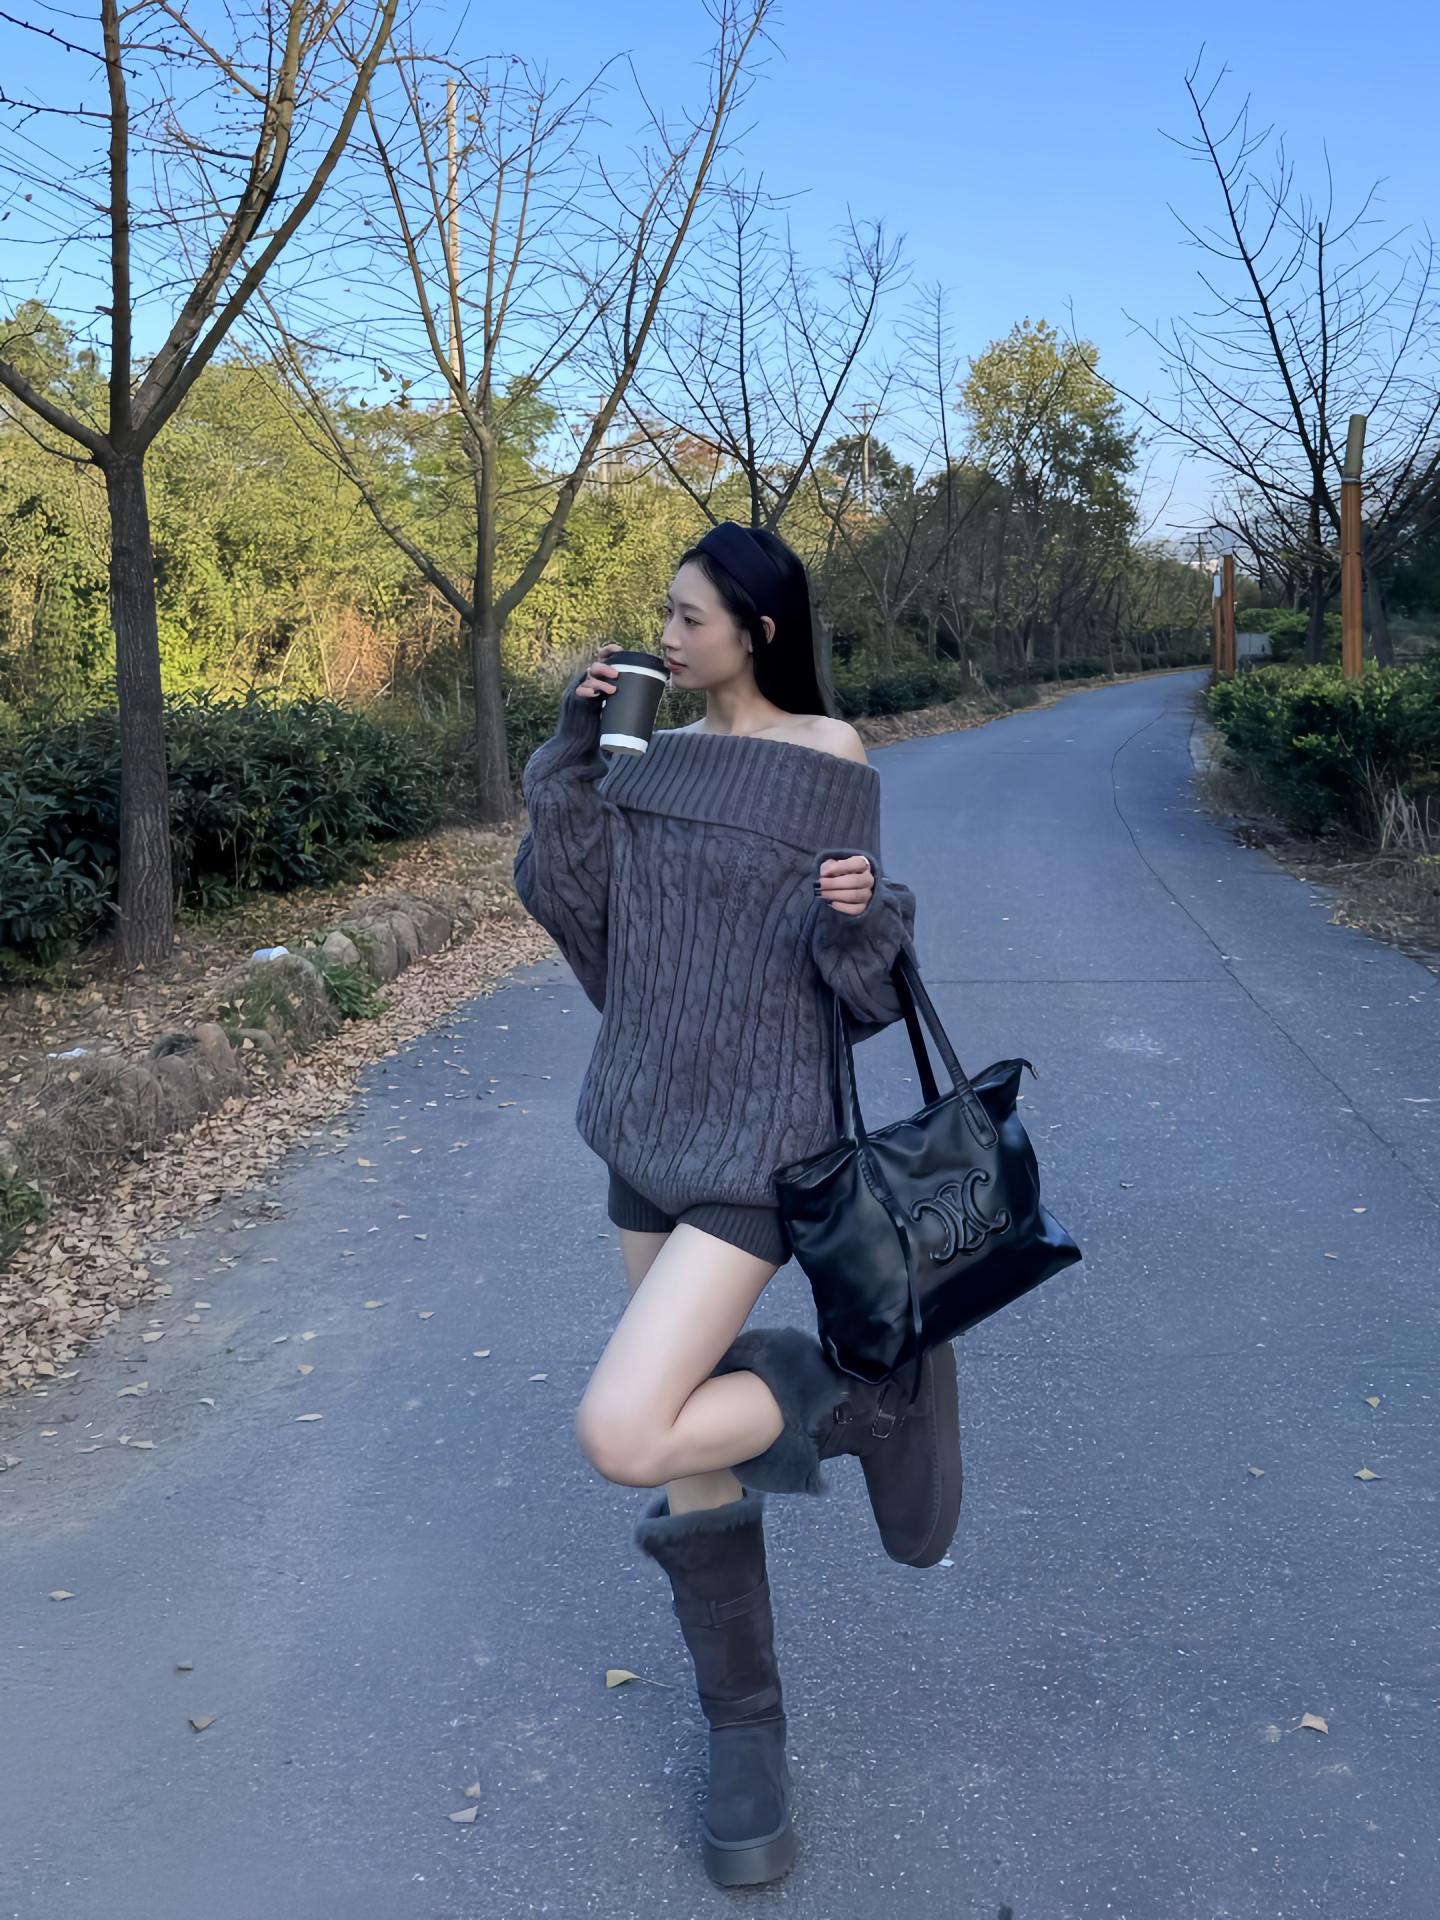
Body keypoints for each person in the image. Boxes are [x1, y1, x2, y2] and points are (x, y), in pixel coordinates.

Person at [514, 522, 963, 1888]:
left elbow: (865, 993)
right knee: (681, 1452)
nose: (664, 636)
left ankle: (865, 1397)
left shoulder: (829, 755)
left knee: (623, 1427)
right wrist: (572, 756)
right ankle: (745, 1734)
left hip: (762, 1149)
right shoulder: (643, 758)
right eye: (662, 613)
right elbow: (572, 909)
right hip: (642, 1126)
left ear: (758, 632)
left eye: (689, 618)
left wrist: (858, 916)